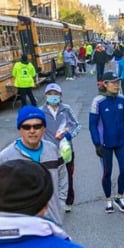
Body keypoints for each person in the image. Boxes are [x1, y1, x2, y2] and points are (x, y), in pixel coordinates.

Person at [0, 106, 68, 224]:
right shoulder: (6, 157)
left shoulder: (52, 150)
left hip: (52, 220)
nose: (32, 131)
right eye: (26, 127)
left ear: (44, 128)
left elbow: (62, 177)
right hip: (20, 226)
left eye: (37, 126)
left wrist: (61, 204)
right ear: (20, 129)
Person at [88, 68, 124, 213]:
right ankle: (108, 199)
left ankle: (119, 196)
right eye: (113, 83)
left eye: (118, 82)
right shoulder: (98, 101)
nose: (117, 85)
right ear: (105, 84)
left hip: (121, 142)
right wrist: (96, 143)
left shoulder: (122, 99)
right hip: (104, 144)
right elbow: (92, 125)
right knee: (107, 173)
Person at [40, 82, 80, 212]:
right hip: (48, 152)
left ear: (60, 96)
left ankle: (68, 201)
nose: (53, 97)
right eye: (50, 94)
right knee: (49, 178)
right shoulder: (41, 112)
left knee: (68, 176)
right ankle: (51, 203)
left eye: (56, 94)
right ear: (45, 96)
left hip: (66, 150)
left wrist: (68, 135)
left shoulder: (66, 109)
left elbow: (76, 125)